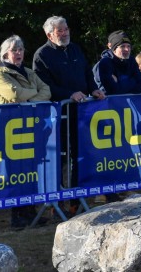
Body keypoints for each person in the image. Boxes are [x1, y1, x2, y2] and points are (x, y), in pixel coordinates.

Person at [33, 16, 104, 207]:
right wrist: (69, 94)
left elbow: (87, 72)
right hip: (58, 116)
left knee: (80, 155)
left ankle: (77, 201)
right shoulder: (42, 55)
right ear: (49, 34)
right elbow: (45, 86)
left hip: (81, 114)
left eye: (66, 29)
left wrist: (93, 88)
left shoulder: (75, 48)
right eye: (60, 31)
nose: (65, 33)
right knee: (61, 159)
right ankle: (57, 204)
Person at [0, 35, 51, 229]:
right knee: (15, 172)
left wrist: (29, 99)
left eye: (21, 49)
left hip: (32, 126)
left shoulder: (27, 72)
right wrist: (33, 94)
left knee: (31, 170)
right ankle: (17, 216)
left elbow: (47, 90)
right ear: (5, 53)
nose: (19, 53)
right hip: (11, 129)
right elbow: (14, 94)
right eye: (14, 50)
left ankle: (30, 213)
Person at [94, 31, 141, 95]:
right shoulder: (105, 63)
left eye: (128, 46)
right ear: (113, 48)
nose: (127, 49)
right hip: (108, 104)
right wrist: (133, 81)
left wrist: (119, 82)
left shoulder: (131, 60)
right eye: (122, 46)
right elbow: (113, 91)